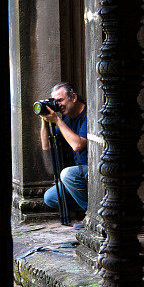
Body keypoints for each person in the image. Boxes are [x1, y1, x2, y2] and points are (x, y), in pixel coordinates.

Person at [39, 82, 88, 220]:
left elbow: (78, 145)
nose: (58, 105)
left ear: (73, 97)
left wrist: (58, 121)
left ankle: (93, 214)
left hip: (94, 171)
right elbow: (46, 146)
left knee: (67, 174)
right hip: (78, 176)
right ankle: (87, 206)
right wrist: (44, 119)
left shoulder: (88, 114)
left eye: (60, 100)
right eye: (54, 101)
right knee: (50, 197)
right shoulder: (67, 119)